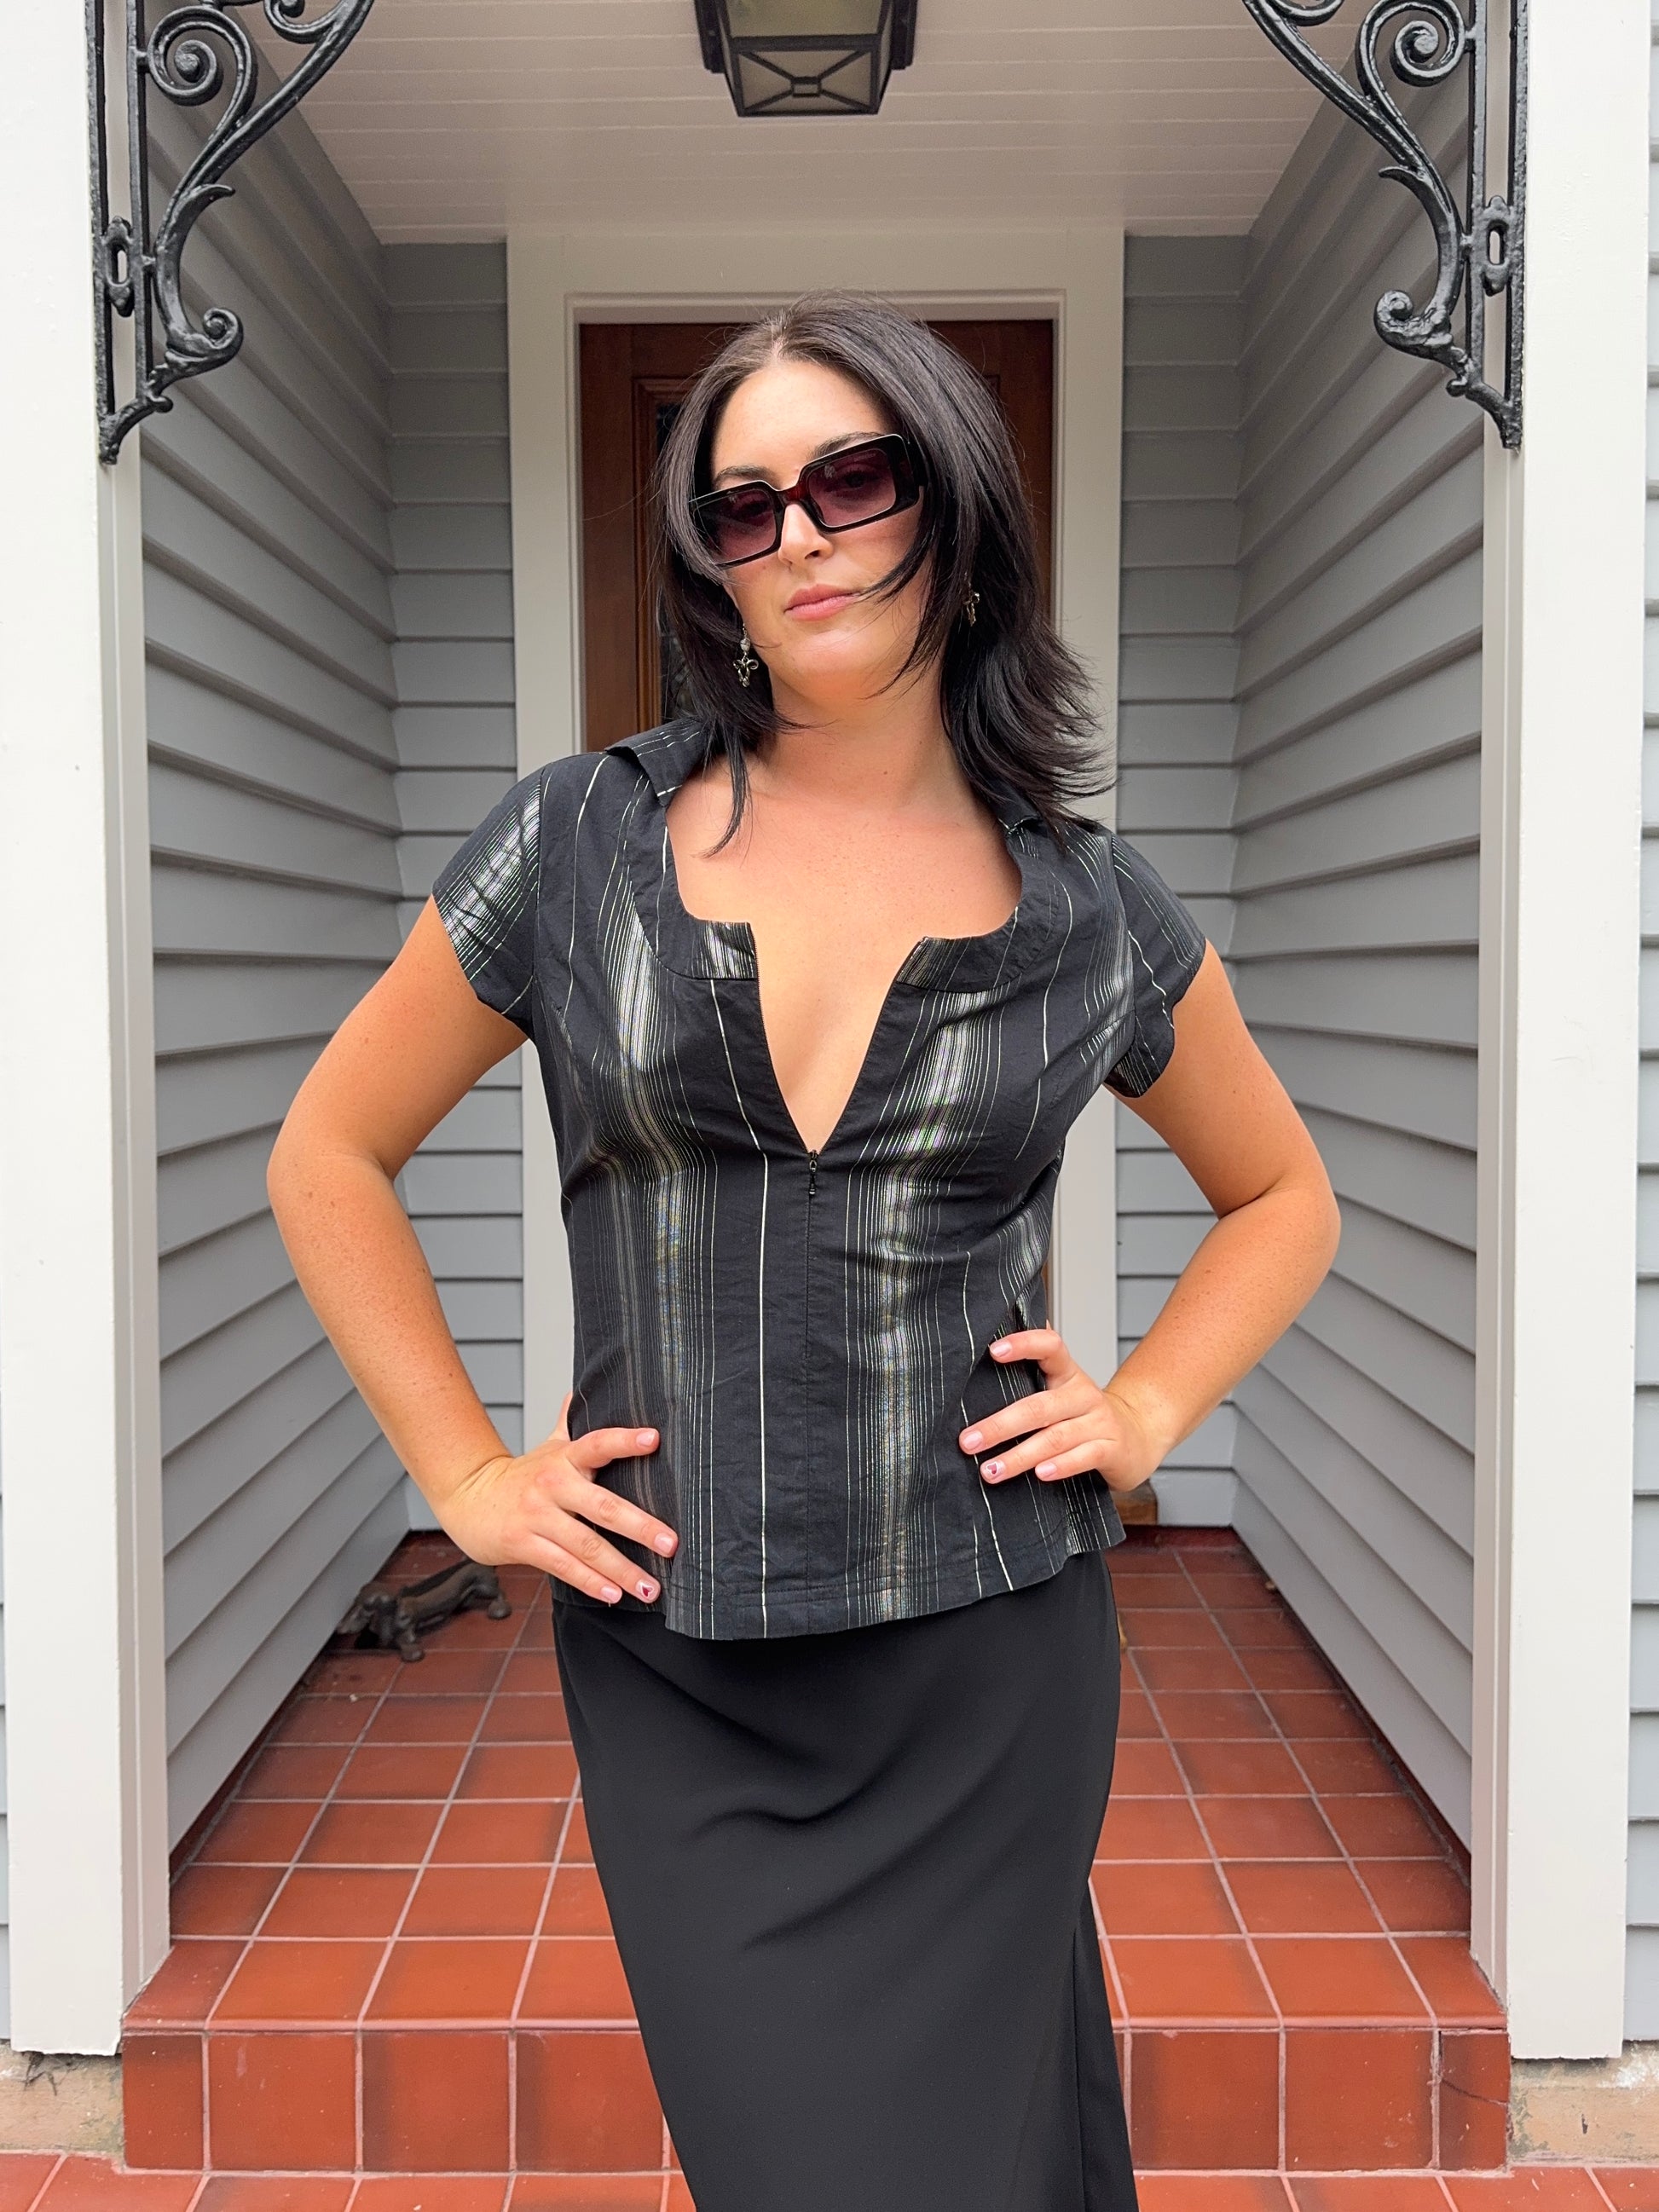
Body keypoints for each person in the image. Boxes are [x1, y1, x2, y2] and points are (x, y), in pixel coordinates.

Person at [268, 292, 1339, 2212]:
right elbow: (329, 1150)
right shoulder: (576, 843)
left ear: (958, 509)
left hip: (986, 1655)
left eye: (852, 479)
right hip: (681, 1661)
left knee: (989, 2154)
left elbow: (1283, 1195)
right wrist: (465, 1476)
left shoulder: (1091, 905)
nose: (797, 538)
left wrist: (1147, 1406)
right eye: (740, 506)